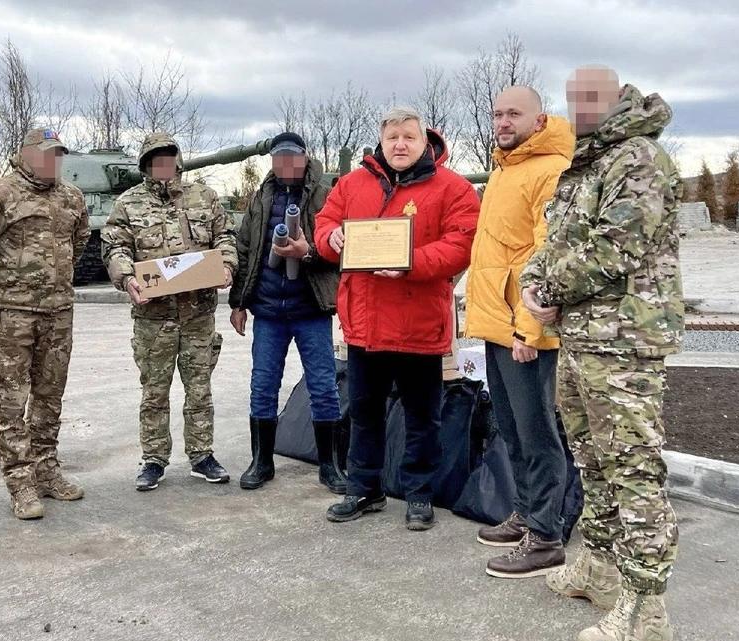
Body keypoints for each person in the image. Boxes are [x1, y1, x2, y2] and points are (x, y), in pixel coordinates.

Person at [520, 66, 683, 641]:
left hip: (624, 344)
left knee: (633, 470)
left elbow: (616, 247)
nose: (582, 106)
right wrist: (533, 282)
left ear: (619, 97)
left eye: (593, 96)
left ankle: (646, 610)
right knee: (592, 461)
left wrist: (549, 290)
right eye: (574, 98)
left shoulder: (639, 158)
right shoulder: (587, 162)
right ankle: (601, 569)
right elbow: (555, 241)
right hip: (583, 338)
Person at [314, 107, 479, 531]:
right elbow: (325, 223)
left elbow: (462, 244)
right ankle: (363, 488)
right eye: (393, 138)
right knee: (364, 413)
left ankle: (419, 493)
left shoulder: (454, 188)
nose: (400, 145)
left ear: (426, 142)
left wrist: (410, 262)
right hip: (365, 325)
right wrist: (331, 237)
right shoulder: (352, 183)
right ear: (382, 142)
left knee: (422, 418)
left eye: (409, 137)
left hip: (418, 325)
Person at [463, 86, 574, 578]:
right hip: (497, 326)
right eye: (497, 114)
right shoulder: (505, 169)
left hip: (523, 331)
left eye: (514, 114)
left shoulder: (550, 170)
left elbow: (547, 253)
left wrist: (529, 330)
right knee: (511, 430)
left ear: (539, 120)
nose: (503, 122)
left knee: (537, 434)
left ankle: (547, 537)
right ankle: (527, 515)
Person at [0, 128, 90, 520]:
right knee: (9, 400)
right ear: (26, 154)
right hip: (12, 316)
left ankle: (46, 471)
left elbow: (79, 244)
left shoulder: (71, 196)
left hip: (58, 314)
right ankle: (20, 483)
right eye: (46, 154)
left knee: (49, 396)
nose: (53, 161)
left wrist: (50, 280)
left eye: (58, 155)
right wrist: (9, 283)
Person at [101, 132, 237, 491]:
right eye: (154, 158)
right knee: (154, 393)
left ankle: (202, 455)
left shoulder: (204, 197)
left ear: (177, 160)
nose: (162, 164)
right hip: (154, 319)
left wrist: (226, 265)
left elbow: (225, 236)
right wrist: (127, 277)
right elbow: (114, 247)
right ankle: (154, 459)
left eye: (167, 157)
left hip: (197, 315)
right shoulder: (128, 204)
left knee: (200, 390)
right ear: (145, 164)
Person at [228, 131, 346, 493]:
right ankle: (261, 461)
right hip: (268, 310)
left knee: (323, 386)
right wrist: (238, 302)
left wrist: (307, 253)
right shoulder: (260, 198)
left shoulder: (326, 197)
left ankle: (330, 465)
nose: (285, 164)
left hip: (310, 308)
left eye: (292, 157)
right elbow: (245, 249)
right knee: (263, 385)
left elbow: (341, 249)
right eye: (279, 158)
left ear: (304, 158)